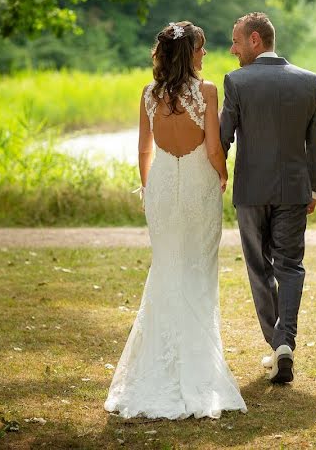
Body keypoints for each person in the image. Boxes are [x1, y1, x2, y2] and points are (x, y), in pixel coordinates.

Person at [104, 21, 247, 419]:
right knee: (199, 269)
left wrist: (149, 190)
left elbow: (144, 152)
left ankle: (160, 367)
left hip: (162, 187)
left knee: (166, 268)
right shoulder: (207, 92)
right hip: (199, 184)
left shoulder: (149, 94)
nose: (205, 54)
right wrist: (222, 174)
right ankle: (197, 369)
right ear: (189, 54)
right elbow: (214, 147)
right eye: (200, 49)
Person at [219, 12, 316, 384]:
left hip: (250, 191)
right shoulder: (309, 81)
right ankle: (284, 343)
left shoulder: (235, 81)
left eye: (235, 41)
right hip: (295, 191)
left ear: (254, 40)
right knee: (290, 265)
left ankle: (277, 342)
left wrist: (212, 175)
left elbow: (223, 137)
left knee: (259, 267)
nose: (231, 49)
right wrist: (314, 187)